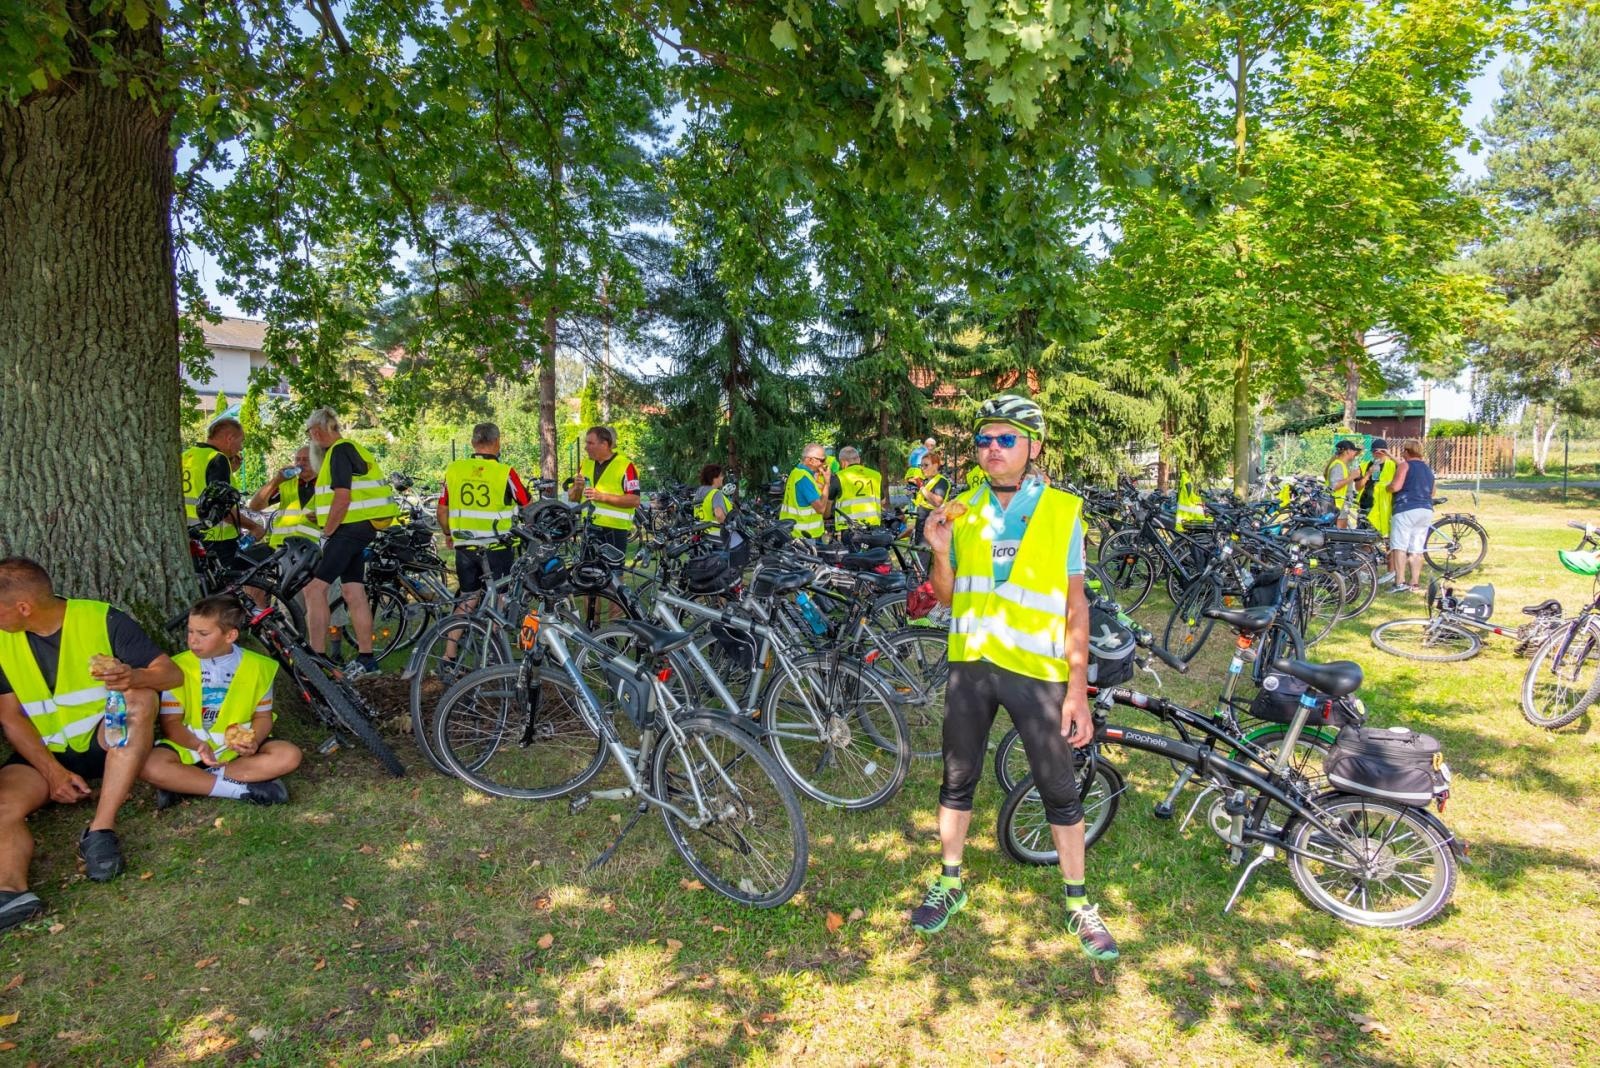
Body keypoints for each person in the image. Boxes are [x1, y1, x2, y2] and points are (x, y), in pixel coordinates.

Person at [914, 395, 1118, 960]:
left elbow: (1077, 607)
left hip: (1037, 672)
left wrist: (1077, 689)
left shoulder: (1062, 510)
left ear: (1033, 446)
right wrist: (939, 553)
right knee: (958, 778)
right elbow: (950, 598)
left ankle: (1079, 903)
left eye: (1006, 439)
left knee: (1058, 786)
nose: (993, 449)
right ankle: (950, 883)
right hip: (973, 668)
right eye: (984, 440)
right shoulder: (961, 509)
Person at [0, 557, 181, 929]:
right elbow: (10, 716)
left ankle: (100, 830)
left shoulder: (102, 618)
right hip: (42, 754)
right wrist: (52, 773)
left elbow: (171, 674)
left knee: (141, 695)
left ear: (23, 607)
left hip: (106, 741)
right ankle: (11, 892)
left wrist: (134, 674)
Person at [141, 596, 301, 809]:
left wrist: (254, 740)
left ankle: (188, 782)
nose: (193, 640)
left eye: (203, 634)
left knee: (289, 756)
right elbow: (170, 723)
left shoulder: (258, 667)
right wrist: (198, 745)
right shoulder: (176, 666)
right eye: (190, 631)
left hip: (235, 751)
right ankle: (238, 789)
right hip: (189, 746)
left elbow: (262, 716)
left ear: (231, 635)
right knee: (149, 765)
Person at [303, 408, 401, 678]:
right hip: (362, 528)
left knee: (313, 589)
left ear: (317, 430)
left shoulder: (338, 451)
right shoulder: (350, 449)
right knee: (353, 592)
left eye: (311, 432)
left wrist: (326, 533)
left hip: (348, 529)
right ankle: (367, 658)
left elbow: (342, 498)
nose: (311, 437)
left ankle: (318, 658)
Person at [438, 423, 532, 598]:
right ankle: (493, 626)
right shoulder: (505, 472)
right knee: (499, 599)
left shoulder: (454, 470)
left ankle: (453, 626)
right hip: (497, 546)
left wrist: (448, 533)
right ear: (497, 442)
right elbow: (527, 505)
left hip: (465, 545)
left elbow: (442, 510)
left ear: (473, 442)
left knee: (468, 600)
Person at [180, 417, 261, 565]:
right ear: (230, 438)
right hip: (218, 539)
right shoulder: (217, 458)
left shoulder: (186, 456)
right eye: (241, 441)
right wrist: (254, 527)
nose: (241, 448)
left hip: (190, 536)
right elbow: (222, 506)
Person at [568, 426, 641, 558]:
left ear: (604, 444)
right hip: (589, 527)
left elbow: (635, 500)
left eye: (590, 443)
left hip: (614, 529)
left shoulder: (625, 465)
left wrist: (601, 496)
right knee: (587, 572)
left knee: (613, 573)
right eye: (586, 443)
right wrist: (577, 488)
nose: (585, 447)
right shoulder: (586, 464)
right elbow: (573, 498)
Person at [1387, 441, 1436, 592]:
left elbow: (1396, 486)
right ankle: (1414, 583)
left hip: (1406, 508)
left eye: (1403, 451)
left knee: (1399, 546)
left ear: (1408, 452)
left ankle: (1400, 582)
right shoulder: (1428, 469)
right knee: (1417, 548)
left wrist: (1387, 487)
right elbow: (1432, 493)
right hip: (1426, 510)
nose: (1402, 453)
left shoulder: (1405, 465)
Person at [248, 444, 320, 548]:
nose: (300, 463)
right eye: (297, 460)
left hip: (310, 550)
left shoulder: (326, 485)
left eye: (306, 460)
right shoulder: (286, 484)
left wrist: (323, 518)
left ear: (316, 461)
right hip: (280, 548)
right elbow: (254, 506)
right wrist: (276, 480)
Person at [694, 464, 748, 566]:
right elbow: (719, 515)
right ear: (714, 478)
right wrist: (728, 524)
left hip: (706, 536)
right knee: (742, 545)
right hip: (720, 536)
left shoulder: (699, 492)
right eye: (721, 475)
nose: (722, 478)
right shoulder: (715, 493)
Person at [779, 444, 830, 539]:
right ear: (810, 460)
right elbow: (821, 509)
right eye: (822, 460)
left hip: (793, 532)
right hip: (805, 536)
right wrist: (827, 483)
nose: (824, 463)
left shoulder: (796, 472)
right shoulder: (804, 478)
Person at [1359, 438, 1398, 544]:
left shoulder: (1392, 464)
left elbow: (1407, 467)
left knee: (1388, 538)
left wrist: (1390, 455)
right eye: (1375, 452)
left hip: (1386, 507)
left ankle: (1387, 559)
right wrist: (1368, 474)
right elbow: (1358, 486)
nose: (1378, 454)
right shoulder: (1365, 465)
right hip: (1367, 505)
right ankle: (1366, 559)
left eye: (1382, 452)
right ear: (1372, 452)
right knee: (1365, 540)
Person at [834, 448, 884, 529]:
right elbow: (883, 501)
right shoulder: (876, 475)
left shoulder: (839, 476)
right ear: (859, 460)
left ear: (843, 462)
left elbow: (829, 503)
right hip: (873, 527)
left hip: (849, 528)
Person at [912, 450, 950, 543]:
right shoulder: (927, 481)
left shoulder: (941, 481)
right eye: (921, 465)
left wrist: (921, 487)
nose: (922, 468)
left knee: (923, 555)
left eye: (926, 465)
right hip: (921, 524)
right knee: (918, 555)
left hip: (932, 526)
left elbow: (937, 502)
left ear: (935, 465)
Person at [1325, 440, 1362, 528]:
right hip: (1338, 503)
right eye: (1353, 451)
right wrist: (1352, 477)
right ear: (1348, 451)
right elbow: (1334, 486)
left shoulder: (1342, 463)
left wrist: (1359, 450)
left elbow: (1354, 455)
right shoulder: (1338, 465)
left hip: (1341, 502)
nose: (1355, 453)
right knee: (1340, 531)